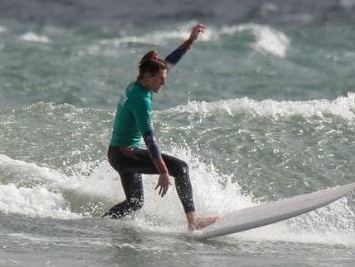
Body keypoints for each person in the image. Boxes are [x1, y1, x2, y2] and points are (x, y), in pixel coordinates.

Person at [103, 24, 217, 230]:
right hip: (124, 154)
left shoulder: (136, 85)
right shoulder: (140, 100)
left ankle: (98, 224)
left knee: (134, 203)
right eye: (160, 80)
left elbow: (168, 63)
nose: (163, 84)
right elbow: (150, 138)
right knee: (180, 169)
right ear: (148, 77)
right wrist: (163, 171)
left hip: (118, 152)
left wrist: (189, 42)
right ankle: (193, 221)